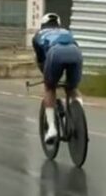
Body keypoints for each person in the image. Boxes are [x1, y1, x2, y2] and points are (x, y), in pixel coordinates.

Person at [32, 13, 83, 145]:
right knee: (72, 88)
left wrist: (48, 78)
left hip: (55, 53)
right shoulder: (66, 31)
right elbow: (75, 46)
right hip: (75, 53)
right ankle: (78, 117)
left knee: (49, 88)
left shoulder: (38, 35)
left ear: (43, 24)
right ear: (58, 23)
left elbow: (41, 60)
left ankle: (52, 129)